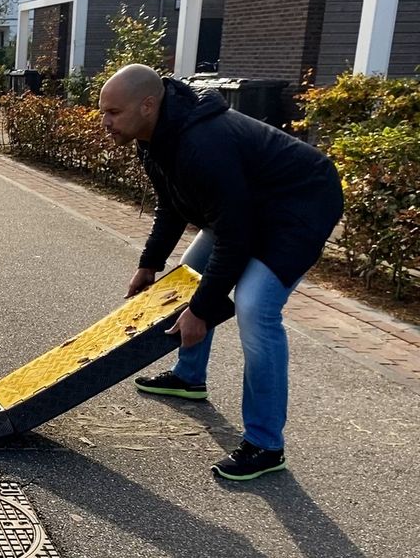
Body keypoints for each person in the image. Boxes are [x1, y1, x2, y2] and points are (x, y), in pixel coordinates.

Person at [99, 64, 343, 481]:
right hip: (247, 208)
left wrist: (202, 310)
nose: (105, 122)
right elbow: (172, 204)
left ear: (148, 105)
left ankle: (265, 445)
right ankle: (189, 377)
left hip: (298, 208)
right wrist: (149, 264)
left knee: (254, 308)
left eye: (113, 112)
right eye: (103, 111)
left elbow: (235, 237)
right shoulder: (153, 137)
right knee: (187, 277)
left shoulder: (203, 144)